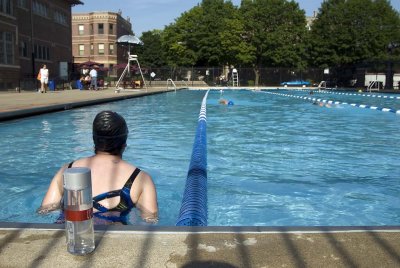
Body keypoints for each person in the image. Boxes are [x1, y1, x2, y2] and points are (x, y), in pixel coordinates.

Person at [38, 110, 158, 224]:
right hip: (109, 238)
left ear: (94, 139)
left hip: (69, 233)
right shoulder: (140, 178)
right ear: (124, 143)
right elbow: (150, 220)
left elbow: (45, 211)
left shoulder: (67, 170)